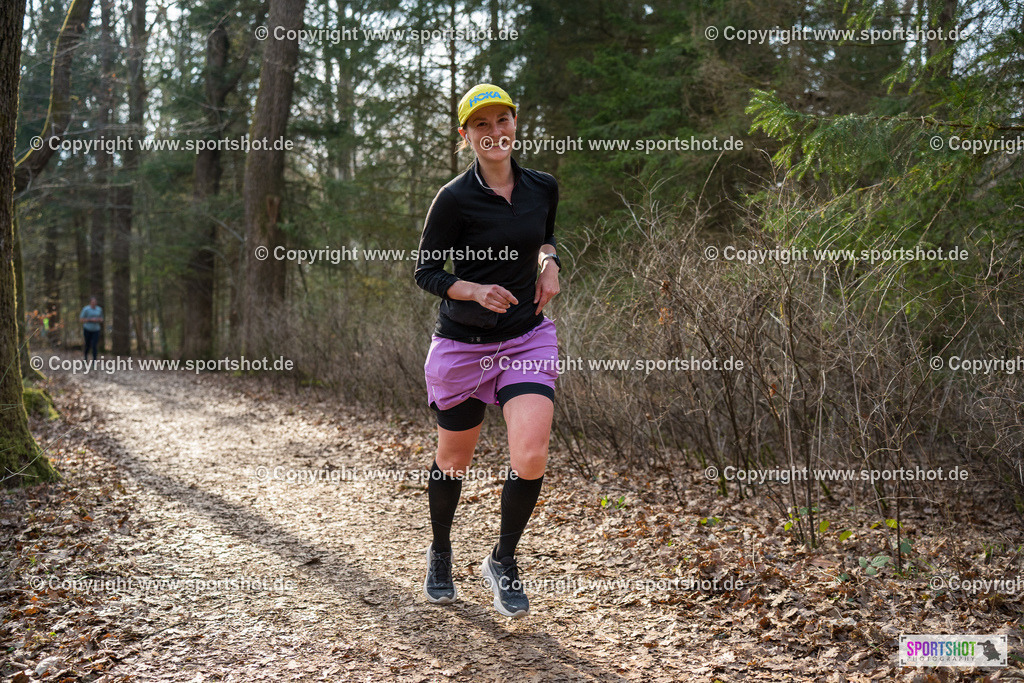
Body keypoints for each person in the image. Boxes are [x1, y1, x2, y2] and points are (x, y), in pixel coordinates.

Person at [414, 83, 563, 618]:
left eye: (502, 120)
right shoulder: (453, 198)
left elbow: (544, 238)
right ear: (466, 136)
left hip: (527, 334)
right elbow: (426, 272)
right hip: (463, 344)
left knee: (530, 454)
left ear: (515, 124)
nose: (494, 132)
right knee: (454, 459)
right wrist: (474, 289)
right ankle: (441, 548)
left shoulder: (541, 186)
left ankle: (503, 560)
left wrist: (550, 262)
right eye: (481, 125)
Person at [79, 296, 103, 362]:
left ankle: (94, 360)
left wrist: (98, 320)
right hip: (87, 329)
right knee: (87, 344)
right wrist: (90, 320)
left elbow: (101, 319)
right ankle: (85, 358)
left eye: (95, 302)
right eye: (92, 302)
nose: (94, 303)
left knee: (94, 345)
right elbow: (81, 319)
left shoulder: (99, 309)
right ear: (90, 302)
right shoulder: (86, 309)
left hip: (96, 329)